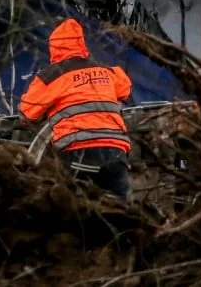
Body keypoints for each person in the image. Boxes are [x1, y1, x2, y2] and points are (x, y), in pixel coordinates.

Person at [20, 17, 133, 200]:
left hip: (80, 153)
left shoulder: (52, 75)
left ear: (54, 47)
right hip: (116, 152)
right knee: (121, 214)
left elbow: (27, 113)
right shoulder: (106, 71)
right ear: (81, 42)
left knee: (74, 211)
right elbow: (125, 88)